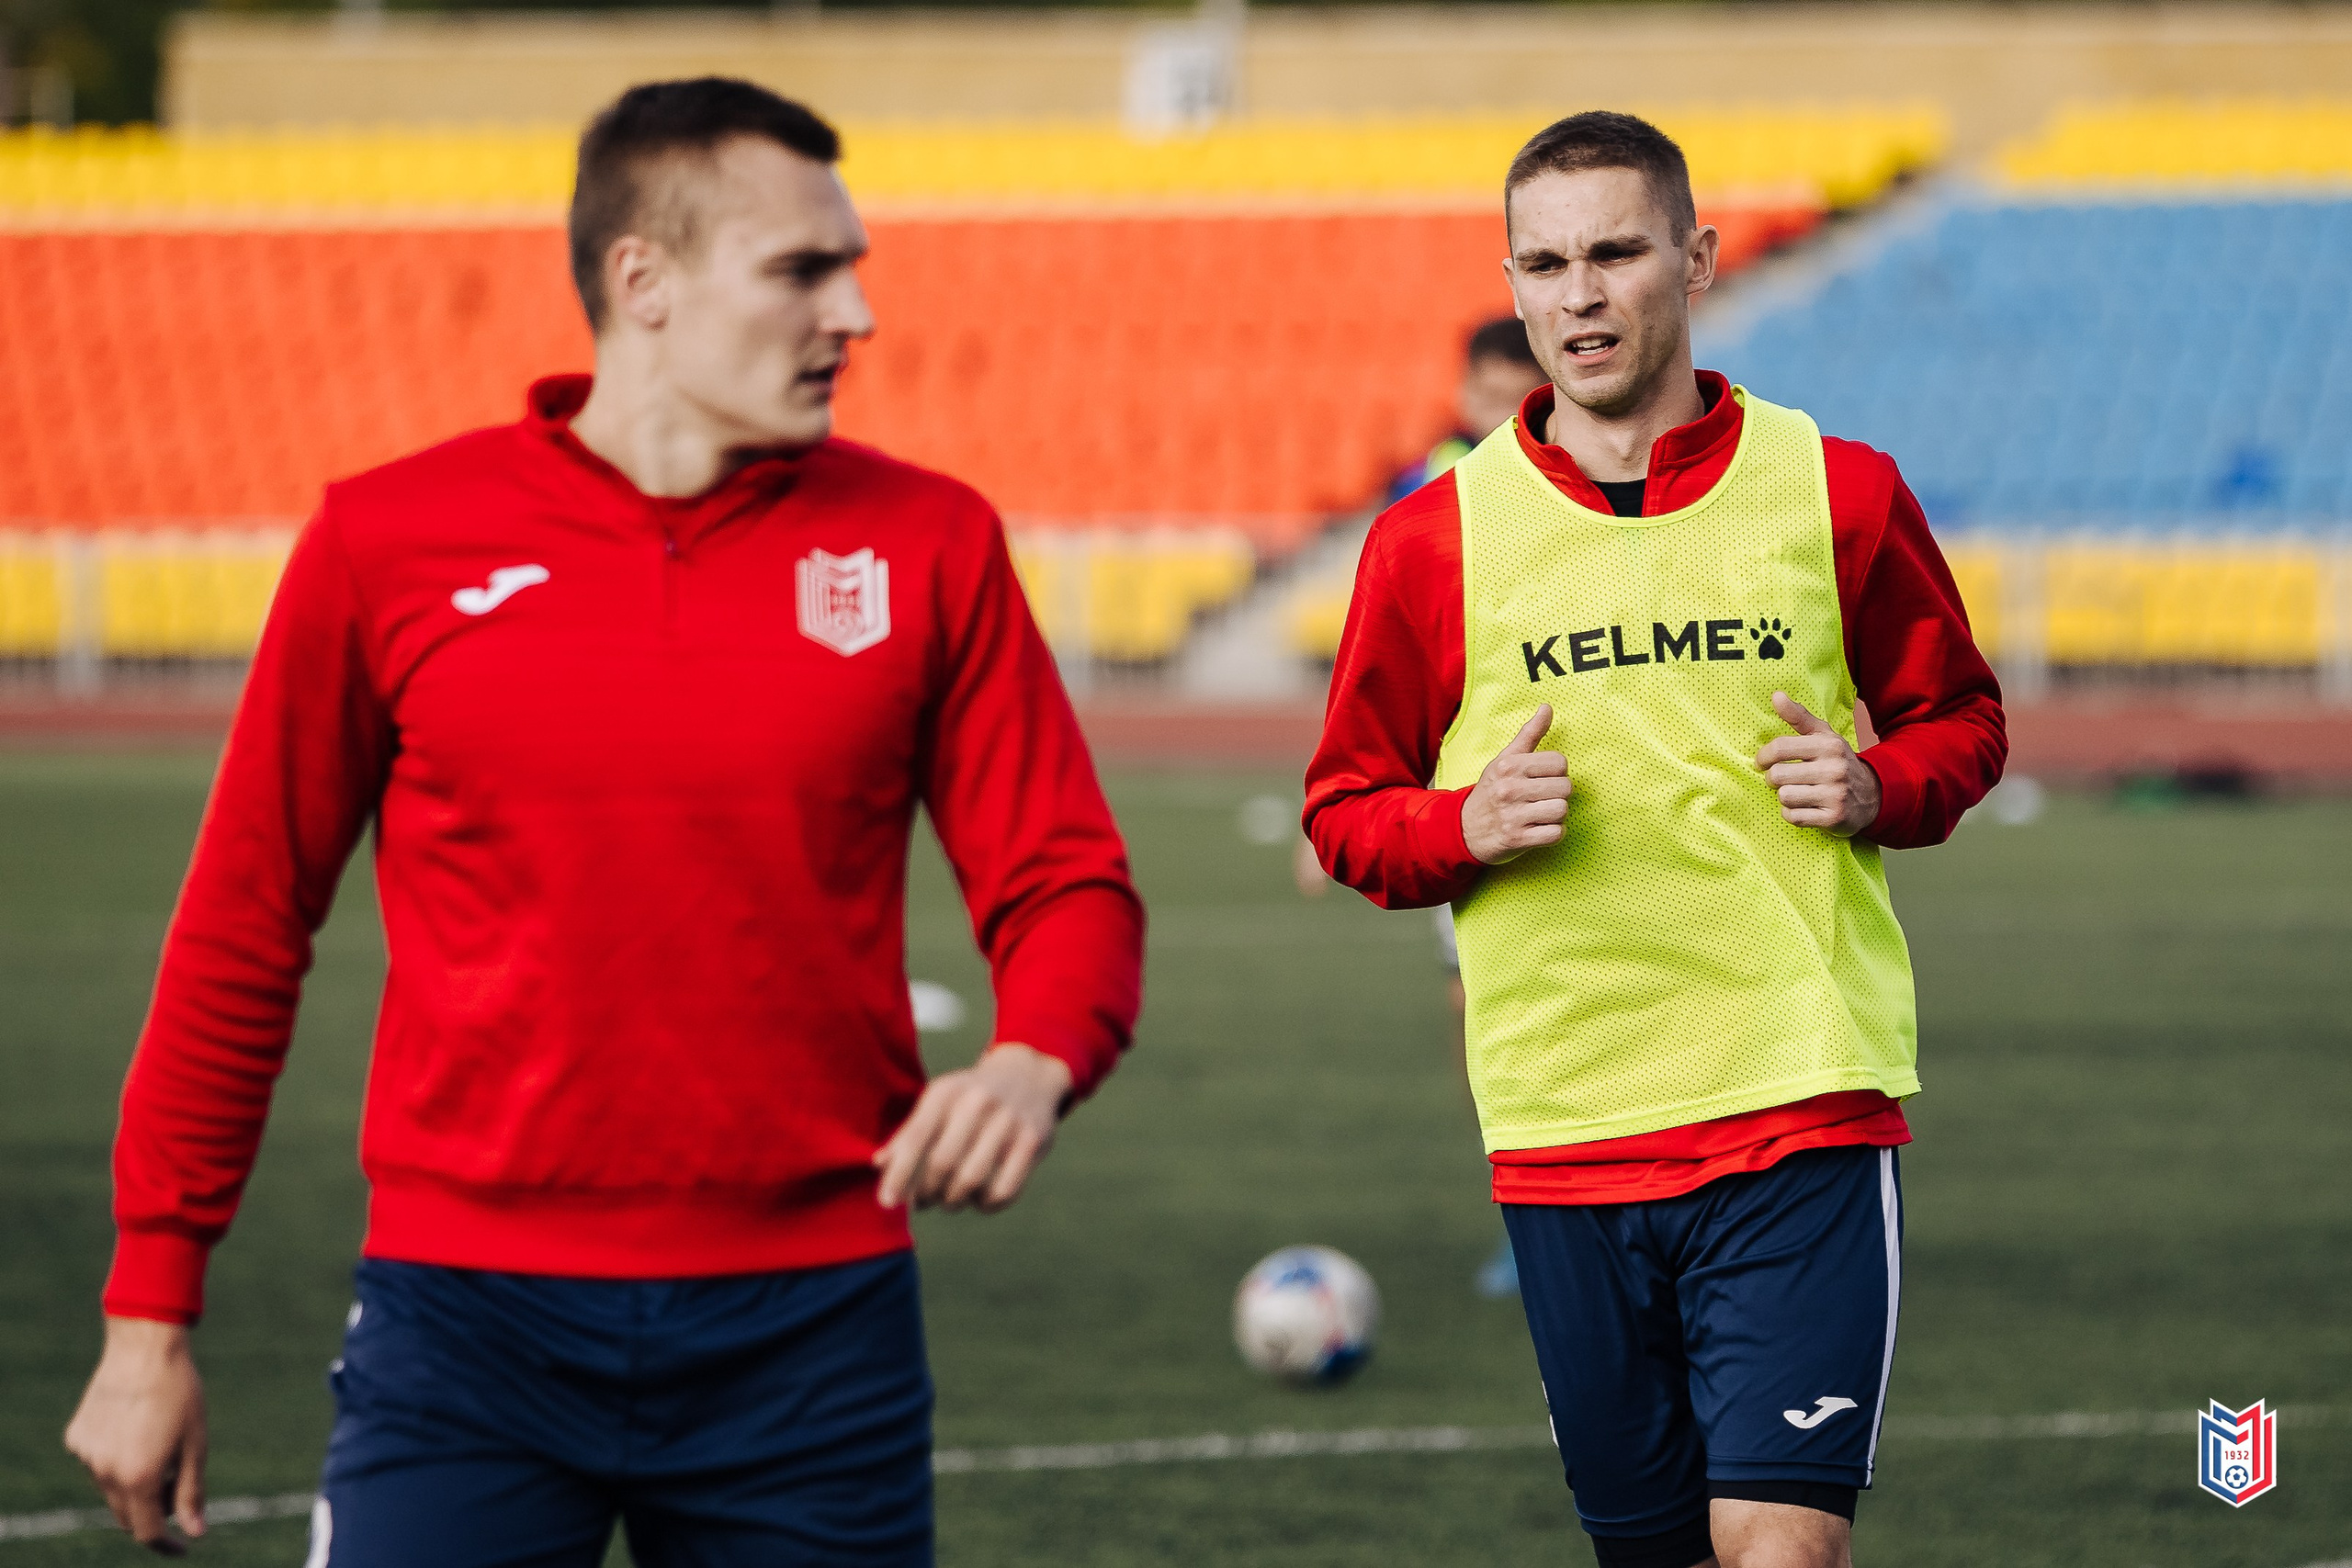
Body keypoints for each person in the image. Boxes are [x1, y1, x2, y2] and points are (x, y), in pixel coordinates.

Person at [62, 78, 1144, 1564]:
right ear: (642, 280)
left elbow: (1065, 877)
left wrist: (1037, 1056)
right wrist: (148, 1312)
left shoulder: (930, 538)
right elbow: (246, 925)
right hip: (463, 1328)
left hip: (816, 1332)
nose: (858, 315)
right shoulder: (387, 542)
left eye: (855, 266)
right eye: (803, 270)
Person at [1304, 111, 2005, 1568]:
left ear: (1694, 259)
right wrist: (1459, 825)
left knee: (1786, 1542)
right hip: (1566, 1127)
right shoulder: (1429, 540)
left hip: (1796, 1095)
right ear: (1513, 281)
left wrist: (1879, 786)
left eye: (1618, 251)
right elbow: (1347, 810)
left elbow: (1962, 721)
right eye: (1547, 263)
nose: (1581, 293)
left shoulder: (1840, 491)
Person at [1385, 315, 1552, 507]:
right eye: (1493, 399)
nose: (1506, 418)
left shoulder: (1575, 474)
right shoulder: (1418, 483)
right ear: (1465, 392)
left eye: (1524, 400)